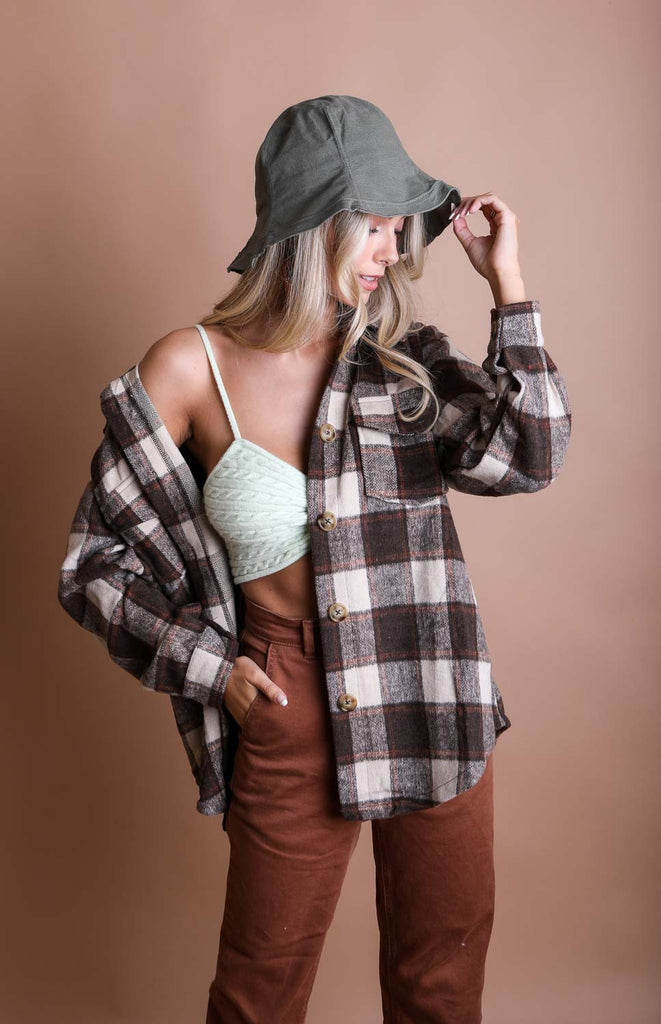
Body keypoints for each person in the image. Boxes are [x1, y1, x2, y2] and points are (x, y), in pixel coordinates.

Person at [57, 95, 572, 1023]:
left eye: (397, 226)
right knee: (258, 994)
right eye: (371, 225)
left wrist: (507, 285)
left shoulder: (402, 361)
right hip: (285, 692)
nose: (392, 249)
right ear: (309, 226)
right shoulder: (188, 367)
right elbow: (93, 562)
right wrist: (212, 668)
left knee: (439, 984)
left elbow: (527, 457)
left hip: (429, 681)